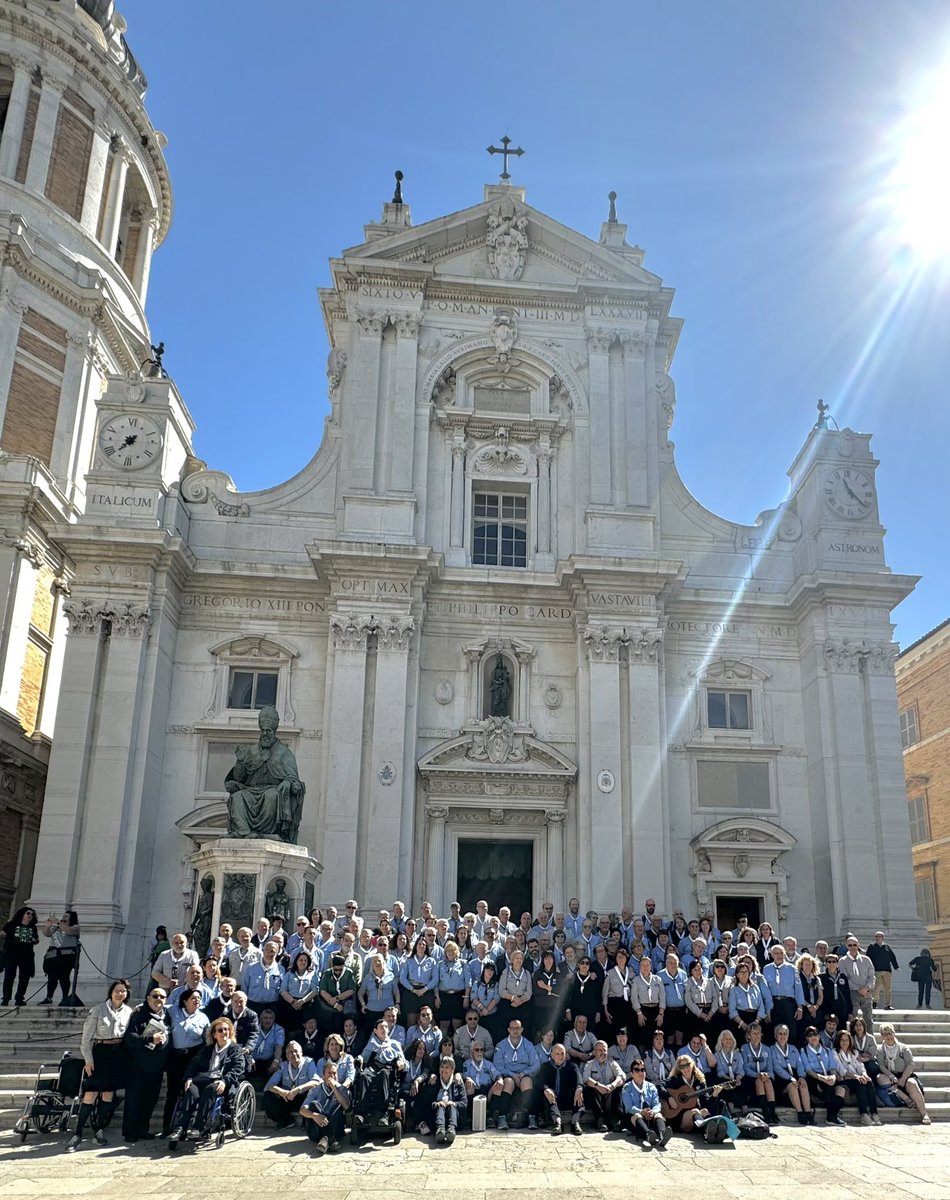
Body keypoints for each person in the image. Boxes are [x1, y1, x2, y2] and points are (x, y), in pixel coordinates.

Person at [67, 979, 133, 1151]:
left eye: (123, 991)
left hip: (117, 1053)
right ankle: (78, 1132)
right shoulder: (98, 1010)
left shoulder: (128, 1012)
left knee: (108, 1095)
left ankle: (99, 1130)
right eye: (117, 990)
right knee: (91, 1093)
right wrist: (88, 1059)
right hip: (100, 1052)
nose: (120, 994)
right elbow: (86, 1039)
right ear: (111, 992)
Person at [224, 704, 305, 842]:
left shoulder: (284, 753)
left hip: (272, 791)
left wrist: (288, 782)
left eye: (269, 731)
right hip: (250, 790)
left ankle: (268, 831)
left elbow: (294, 780)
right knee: (237, 797)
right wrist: (240, 762)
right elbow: (239, 778)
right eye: (263, 731)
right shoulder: (251, 751)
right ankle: (244, 832)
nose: (265, 734)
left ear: (274, 731)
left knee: (271, 796)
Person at [168, 1017, 246, 1145]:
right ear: (214, 1034)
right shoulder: (207, 1049)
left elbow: (238, 1068)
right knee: (191, 1089)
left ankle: (199, 1128)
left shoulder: (235, 1049)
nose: (224, 1032)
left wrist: (224, 1081)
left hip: (221, 1081)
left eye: (226, 1030)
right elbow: (193, 1064)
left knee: (211, 1089)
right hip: (203, 1078)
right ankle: (180, 1128)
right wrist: (188, 1078)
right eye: (220, 1030)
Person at [122, 983, 172, 1142]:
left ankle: (143, 1129)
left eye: (162, 997)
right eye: (155, 996)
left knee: (150, 1100)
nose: (159, 999)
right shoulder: (138, 1015)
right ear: (148, 998)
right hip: (138, 1066)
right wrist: (151, 1039)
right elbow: (130, 1038)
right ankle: (130, 1132)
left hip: (156, 1067)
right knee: (134, 1100)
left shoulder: (167, 1015)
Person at [162, 987, 210, 1134]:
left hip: (193, 1057)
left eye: (198, 999)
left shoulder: (203, 1018)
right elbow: (158, 1006)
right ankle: (167, 1127)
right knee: (173, 1092)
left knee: (189, 1091)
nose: (197, 1001)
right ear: (185, 1001)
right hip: (176, 1057)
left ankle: (185, 1125)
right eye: (193, 998)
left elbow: (207, 1039)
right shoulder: (173, 1011)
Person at [875, 1022, 931, 1123]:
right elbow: (881, 1066)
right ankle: (905, 1098)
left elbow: (910, 1064)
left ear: (894, 1033)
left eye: (890, 1033)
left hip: (905, 1075)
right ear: (882, 1036)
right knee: (880, 1078)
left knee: (912, 1084)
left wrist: (903, 1079)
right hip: (890, 1076)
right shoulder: (880, 1050)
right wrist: (891, 1076)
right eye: (885, 1034)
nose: (888, 1036)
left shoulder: (903, 1048)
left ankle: (924, 1114)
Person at [493, 1018, 539, 1130]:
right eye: (512, 1028)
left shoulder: (528, 1045)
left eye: (517, 1028)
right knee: (508, 1082)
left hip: (524, 1074)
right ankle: (502, 1117)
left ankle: (532, 1117)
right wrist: (512, 1075)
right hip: (509, 1075)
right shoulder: (501, 1045)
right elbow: (497, 1065)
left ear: (522, 1029)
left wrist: (524, 1073)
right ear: (508, 1030)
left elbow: (536, 1064)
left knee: (527, 1082)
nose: (515, 1030)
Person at [263, 1039, 319, 1128]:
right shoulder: (283, 1066)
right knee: (268, 1096)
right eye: (290, 1052)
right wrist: (281, 1091)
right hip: (288, 1098)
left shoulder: (309, 1063)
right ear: (287, 1056)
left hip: (303, 1097)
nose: (293, 1054)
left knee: (312, 1092)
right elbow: (270, 1085)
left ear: (301, 1053)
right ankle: (286, 1121)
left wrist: (298, 1089)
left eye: (296, 1051)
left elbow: (316, 1081)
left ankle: (307, 1121)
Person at [301, 1060, 350, 1154]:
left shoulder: (343, 1089)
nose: (332, 1076)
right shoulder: (316, 1089)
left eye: (334, 1073)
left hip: (336, 1129)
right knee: (314, 1104)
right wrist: (314, 1115)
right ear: (323, 1076)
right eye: (329, 1073)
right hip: (316, 1131)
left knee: (338, 1106)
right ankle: (329, 1139)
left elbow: (346, 1106)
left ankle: (326, 1139)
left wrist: (334, 1088)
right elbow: (302, 1110)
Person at [834, 1028, 880, 1125]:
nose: (844, 1042)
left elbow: (860, 1066)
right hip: (845, 1079)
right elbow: (842, 1070)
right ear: (839, 1041)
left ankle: (874, 1113)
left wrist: (864, 1075)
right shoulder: (835, 1052)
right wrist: (856, 1077)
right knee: (860, 1083)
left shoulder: (854, 1052)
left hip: (857, 1078)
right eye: (842, 1040)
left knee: (868, 1081)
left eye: (847, 1040)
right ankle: (863, 1114)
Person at [620, 1060, 671, 1148]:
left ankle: (662, 1136)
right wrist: (641, 1112)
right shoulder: (627, 1087)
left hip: (649, 1116)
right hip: (634, 1119)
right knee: (636, 1116)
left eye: (643, 1070)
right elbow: (628, 1107)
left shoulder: (651, 1086)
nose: (641, 1072)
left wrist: (653, 1112)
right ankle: (648, 1134)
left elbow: (656, 1104)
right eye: (637, 1070)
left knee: (658, 1114)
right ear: (632, 1073)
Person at [662, 1054, 717, 1134]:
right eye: (682, 1066)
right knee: (694, 1111)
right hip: (678, 1119)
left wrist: (714, 1095)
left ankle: (713, 1131)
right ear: (679, 1069)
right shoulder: (675, 1080)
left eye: (687, 1065)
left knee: (704, 1111)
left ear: (692, 1065)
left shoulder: (699, 1081)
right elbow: (659, 1085)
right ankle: (707, 1132)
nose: (686, 1068)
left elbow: (706, 1104)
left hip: (696, 1117)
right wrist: (669, 1098)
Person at [538, 1041, 583, 1135]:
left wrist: (579, 1088)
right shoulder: (545, 1067)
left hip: (568, 1097)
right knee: (547, 1095)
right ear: (552, 1055)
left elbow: (579, 1079)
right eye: (557, 1054)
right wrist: (546, 1089)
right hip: (554, 1098)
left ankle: (575, 1123)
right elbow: (540, 1081)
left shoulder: (572, 1066)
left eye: (562, 1053)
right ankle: (557, 1123)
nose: (560, 1056)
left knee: (579, 1093)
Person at [770, 1023, 812, 1124]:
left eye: (785, 1034)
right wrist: (790, 1078)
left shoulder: (793, 1048)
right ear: (776, 1036)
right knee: (792, 1086)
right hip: (782, 1078)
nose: (782, 1036)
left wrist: (801, 1076)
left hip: (795, 1074)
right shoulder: (772, 1049)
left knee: (803, 1084)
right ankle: (800, 1113)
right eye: (780, 1034)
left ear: (788, 1036)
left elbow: (800, 1063)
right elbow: (776, 1067)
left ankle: (808, 1113)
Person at [800, 1025, 843, 1124]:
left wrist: (832, 1076)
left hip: (828, 1076)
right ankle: (831, 1117)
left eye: (815, 1034)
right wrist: (823, 1078)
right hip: (815, 1077)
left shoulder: (827, 1050)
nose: (813, 1038)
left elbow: (832, 1067)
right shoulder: (804, 1051)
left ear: (819, 1036)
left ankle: (832, 1114)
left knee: (841, 1089)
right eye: (809, 1035)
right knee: (828, 1087)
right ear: (807, 1038)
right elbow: (808, 1070)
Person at [582, 1039, 625, 1131]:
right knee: (590, 1089)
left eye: (605, 1050)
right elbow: (585, 1078)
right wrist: (597, 1085)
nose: (603, 1052)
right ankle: (601, 1121)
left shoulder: (612, 1062)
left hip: (610, 1092)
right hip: (596, 1093)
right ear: (595, 1052)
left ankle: (615, 1120)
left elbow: (622, 1076)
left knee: (619, 1088)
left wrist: (612, 1085)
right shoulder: (590, 1064)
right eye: (600, 1050)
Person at [1, 906, 39, 1007]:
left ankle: (19, 998)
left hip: (26, 955)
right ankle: (6, 998)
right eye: (28, 913)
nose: (30, 916)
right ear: (22, 914)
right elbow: (3, 933)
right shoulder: (11, 924)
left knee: (24, 977)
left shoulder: (33, 927)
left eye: (32, 914)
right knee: (9, 976)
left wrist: (34, 940)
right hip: (12, 954)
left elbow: (36, 940)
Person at [741, 1022, 778, 1125]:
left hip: (764, 1078)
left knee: (768, 1082)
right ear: (749, 1035)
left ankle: (772, 1113)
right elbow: (745, 1068)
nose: (757, 1036)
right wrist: (757, 1075)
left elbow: (770, 1068)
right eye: (754, 1033)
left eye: (758, 1033)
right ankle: (766, 1113)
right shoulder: (744, 1048)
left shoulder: (767, 1048)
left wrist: (767, 1075)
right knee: (759, 1081)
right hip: (751, 1079)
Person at [40, 911, 80, 1005]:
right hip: (53, 956)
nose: (63, 918)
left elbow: (68, 931)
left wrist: (58, 922)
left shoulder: (75, 927)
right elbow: (46, 933)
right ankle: (49, 997)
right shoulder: (56, 928)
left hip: (67, 956)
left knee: (64, 977)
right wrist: (49, 925)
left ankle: (65, 997)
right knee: (52, 978)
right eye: (63, 916)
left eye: (66, 916)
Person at [461, 1041, 503, 1126]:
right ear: (471, 1052)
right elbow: (464, 1076)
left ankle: (491, 1117)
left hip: (487, 1090)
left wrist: (500, 1080)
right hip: (474, 1089)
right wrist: (468, 1078)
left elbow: (497, 1074)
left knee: (499, 1085)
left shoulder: (488, 1064)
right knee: (468, 1084)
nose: (479, 1052)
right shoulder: (466, 1064)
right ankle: (470, 1116)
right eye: (477, 1050)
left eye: (481, 1050)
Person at [400, 937, 439, 1026]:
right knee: (411, 1020)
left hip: (426, 991)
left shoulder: (431, 961)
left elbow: (435, 979)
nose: (421, 946)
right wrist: (413, 989)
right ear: (415, 946)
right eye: (419, 944)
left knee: (428, 1019)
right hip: (411, 991)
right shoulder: (409, 961)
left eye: (424, 945)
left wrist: (424, 989)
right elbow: (402, 978)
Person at [316, 954, 359, 1036]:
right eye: (336, 970)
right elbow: (323, 991)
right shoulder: (327, 973)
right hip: (329, 1006)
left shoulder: (349, 973)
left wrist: (337, 998)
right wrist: (335, 1004)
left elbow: (351, 990)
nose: (338, 972)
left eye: (340, 970)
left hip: (345, 1005)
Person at [429, 1055, 467, 1143]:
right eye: (442, 1067)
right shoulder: (435, 1081)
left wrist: (454, 1103)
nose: (444, 1070)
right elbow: (428, 1102)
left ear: (452, 1070)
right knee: (440, 1106)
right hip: (438, 1116)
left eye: (447, 1067)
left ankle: (451, 1131)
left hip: (454, 1116)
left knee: (451, 1105)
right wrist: (436, 1104)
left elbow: (464, 1102)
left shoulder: (458, 1082)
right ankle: (440, 1131)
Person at [841, 936, 875, 1032]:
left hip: (866, 993)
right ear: (847, 946)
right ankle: (852, 1041)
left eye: (854, 945)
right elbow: (844, 979)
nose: (852, 947)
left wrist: (866, 988)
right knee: (853, 1019)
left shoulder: (866, 960)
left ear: (858, 945)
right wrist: (859, 989)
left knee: (868, 1019)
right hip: (852, 993)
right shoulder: (842, 961)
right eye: (850, 945)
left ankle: (870, 1042)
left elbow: (872, 976)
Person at [279, 950, 319, 1033]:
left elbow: (315, 990)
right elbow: (283, 990)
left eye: (305, 960)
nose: (303, 962)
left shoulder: (312, 974)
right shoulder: (289, 974)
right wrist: (293, 1002)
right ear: (296, 961)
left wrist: (302, 1001)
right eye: (301, 960)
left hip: (306, 1005)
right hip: (290, 1005)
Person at [359, 952, 400, 1030]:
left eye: (379, 961)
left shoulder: (390, 975)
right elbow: (360, 993)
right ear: (372, 964)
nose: (377, 963)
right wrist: (363, 1004)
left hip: (387, 1011)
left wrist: (397, 1004)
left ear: (383, 962)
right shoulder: (368, 978)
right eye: (374, 961)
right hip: (372, 1011)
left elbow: (396, 992)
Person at [497, 948, 533, 1035]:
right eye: (517, 958)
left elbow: (529, 992)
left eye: (521, 958)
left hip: (523, 1004)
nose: (519, 960)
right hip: (508, 1003)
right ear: (512, 959)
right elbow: (501, 990)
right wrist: (513, 998)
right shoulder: (506, 972)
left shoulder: (527, 973)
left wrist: (520, 1001)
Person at [435, 939, 467, 1033]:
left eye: (453, 950)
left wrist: (466, 997)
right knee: (444, 1025)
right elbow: (436, 982)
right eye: (448, 950)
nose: (450, 953)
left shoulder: (463, 963)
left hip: (458, 996)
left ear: (457, 952)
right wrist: (437, 997)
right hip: (444, 996)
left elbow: (468, 982)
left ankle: (456, 1046)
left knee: (457, 1025)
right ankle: (442, 1045)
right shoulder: (440, 964)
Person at [532, 949, 566, 1035]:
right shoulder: (538, 974)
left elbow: (559, 991)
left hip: (554, 1008)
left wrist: (545, 987)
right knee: (541, 1031)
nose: (548, 961)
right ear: (542, 960)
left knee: (554, 1031)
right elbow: (537, 991)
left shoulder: (558, 975)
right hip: (541, 1008)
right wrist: (552, 991)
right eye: (546, 958)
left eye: (550, 958)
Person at [867, 932, 900, 1010]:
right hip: (876, 971)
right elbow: (867, 958)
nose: (877, 938)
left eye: (879, 936)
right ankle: (874, 1003)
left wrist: (896, 967)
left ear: (882, 938)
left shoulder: (887, 947)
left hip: (887, 971)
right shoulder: (871, 946)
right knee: (876, 988)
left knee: (888, 988)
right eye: (876, 936)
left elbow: (892, 957)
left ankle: (887, 1005)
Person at [819, 953, 852, 1027]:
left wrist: (850, 1011)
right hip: (827, 1008)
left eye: (834, 961)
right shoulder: (821, 977)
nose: (831, 964)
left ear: (837, 964)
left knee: (841, 1031)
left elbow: (847, 994)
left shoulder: (842, 976)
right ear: (826, 964)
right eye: (829, 962)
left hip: (841, 1009)